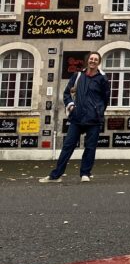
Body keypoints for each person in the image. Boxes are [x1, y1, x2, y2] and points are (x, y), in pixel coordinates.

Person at [39, 51, 110, 183]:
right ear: (87, 60)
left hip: (94, 119)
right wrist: (71, 104)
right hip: (77, 118)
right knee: (68, 146)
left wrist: (98, 111)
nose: (93, 61)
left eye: (96, 59)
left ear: (99, 62)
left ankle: (85, 173)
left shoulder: (102, 79)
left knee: (90, 147)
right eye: (91, 59)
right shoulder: (78, 76)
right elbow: (67, 93)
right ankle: (55, 176)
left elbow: (106, 99)